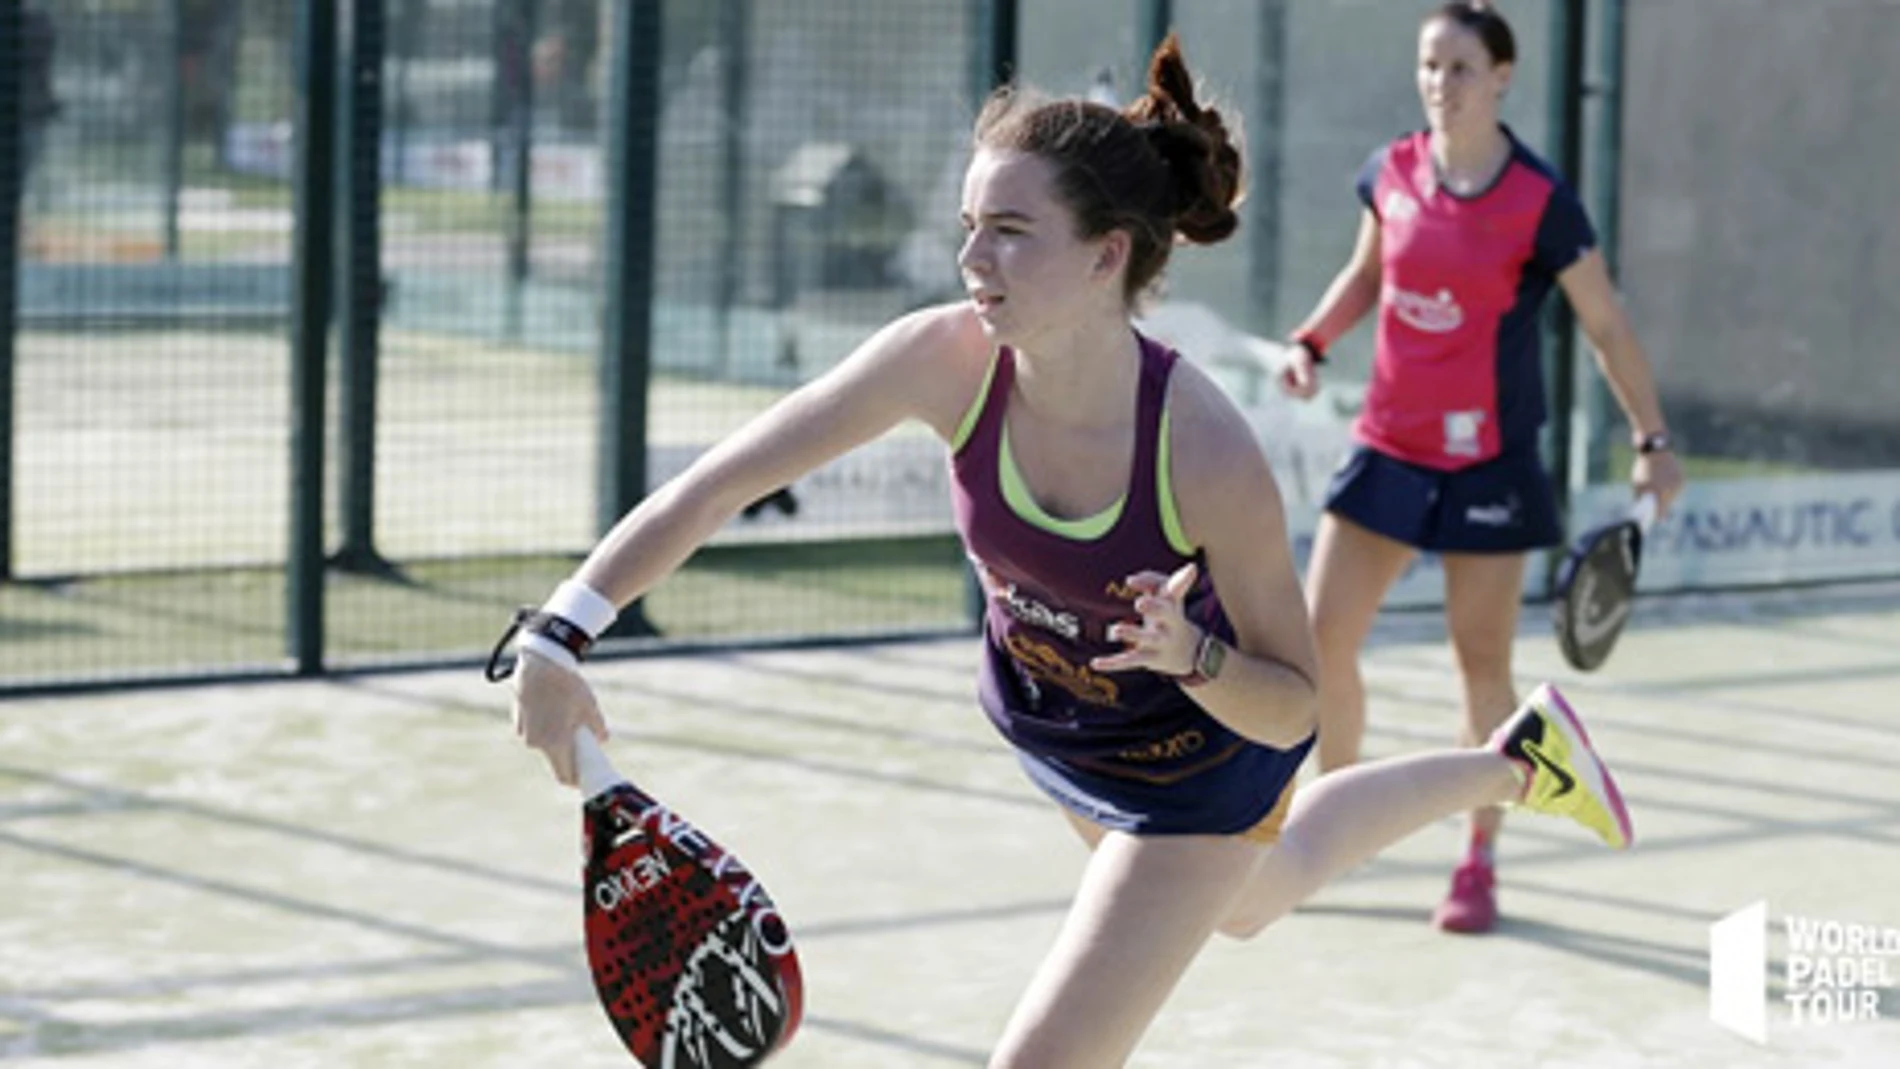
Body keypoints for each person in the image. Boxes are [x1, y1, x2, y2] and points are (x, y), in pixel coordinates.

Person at [504, 34, 1634, 1067]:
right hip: (1056, 724)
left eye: (1008, 230)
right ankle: (1518, 760)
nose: (972, 258)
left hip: (1197, 758)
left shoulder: (1202, 449)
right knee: (1261, 890)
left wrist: (1192, 656)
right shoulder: (938, 361)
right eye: (967, 226)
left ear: (1104, 258)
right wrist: (567, 626)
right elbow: (725, 479)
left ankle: (1506, 764)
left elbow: (1296, 709)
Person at [1275, 1, 1683, 936]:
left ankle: (1477, 857)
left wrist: (1653, 441)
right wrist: (1313, 341)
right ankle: (1332, 826)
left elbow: (1606, 322)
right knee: (1316, 641)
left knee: (1481, 668)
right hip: (1385, 447)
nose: (1439, 84)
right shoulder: (1393, 170)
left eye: (1460, 68)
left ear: (1502, 77)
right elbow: (1368, 276)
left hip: (1490, 465)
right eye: (1429, 65)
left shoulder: (1541, 201)